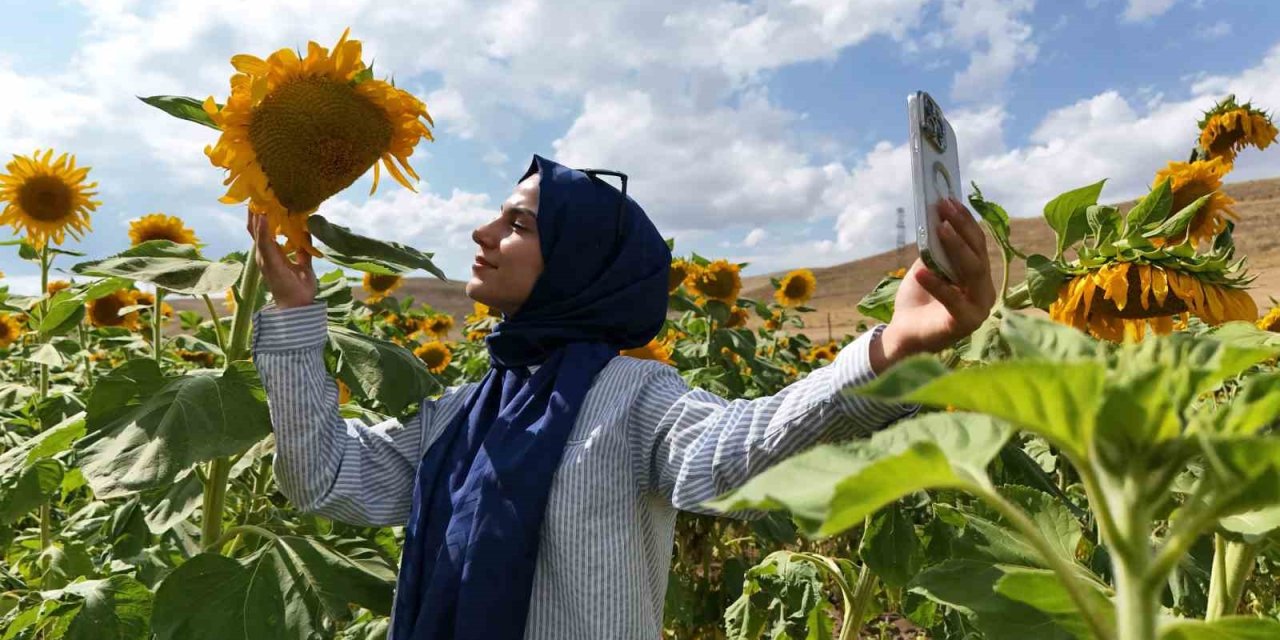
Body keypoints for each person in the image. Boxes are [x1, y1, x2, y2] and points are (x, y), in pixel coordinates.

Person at [249, 155, 996, 640]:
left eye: (517, 224)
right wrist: (293, 318)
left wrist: (891, 349)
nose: (481, 231)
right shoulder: (462, 413)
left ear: (577, 262)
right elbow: (324, 477)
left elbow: (734, 449)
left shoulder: (631, 396)